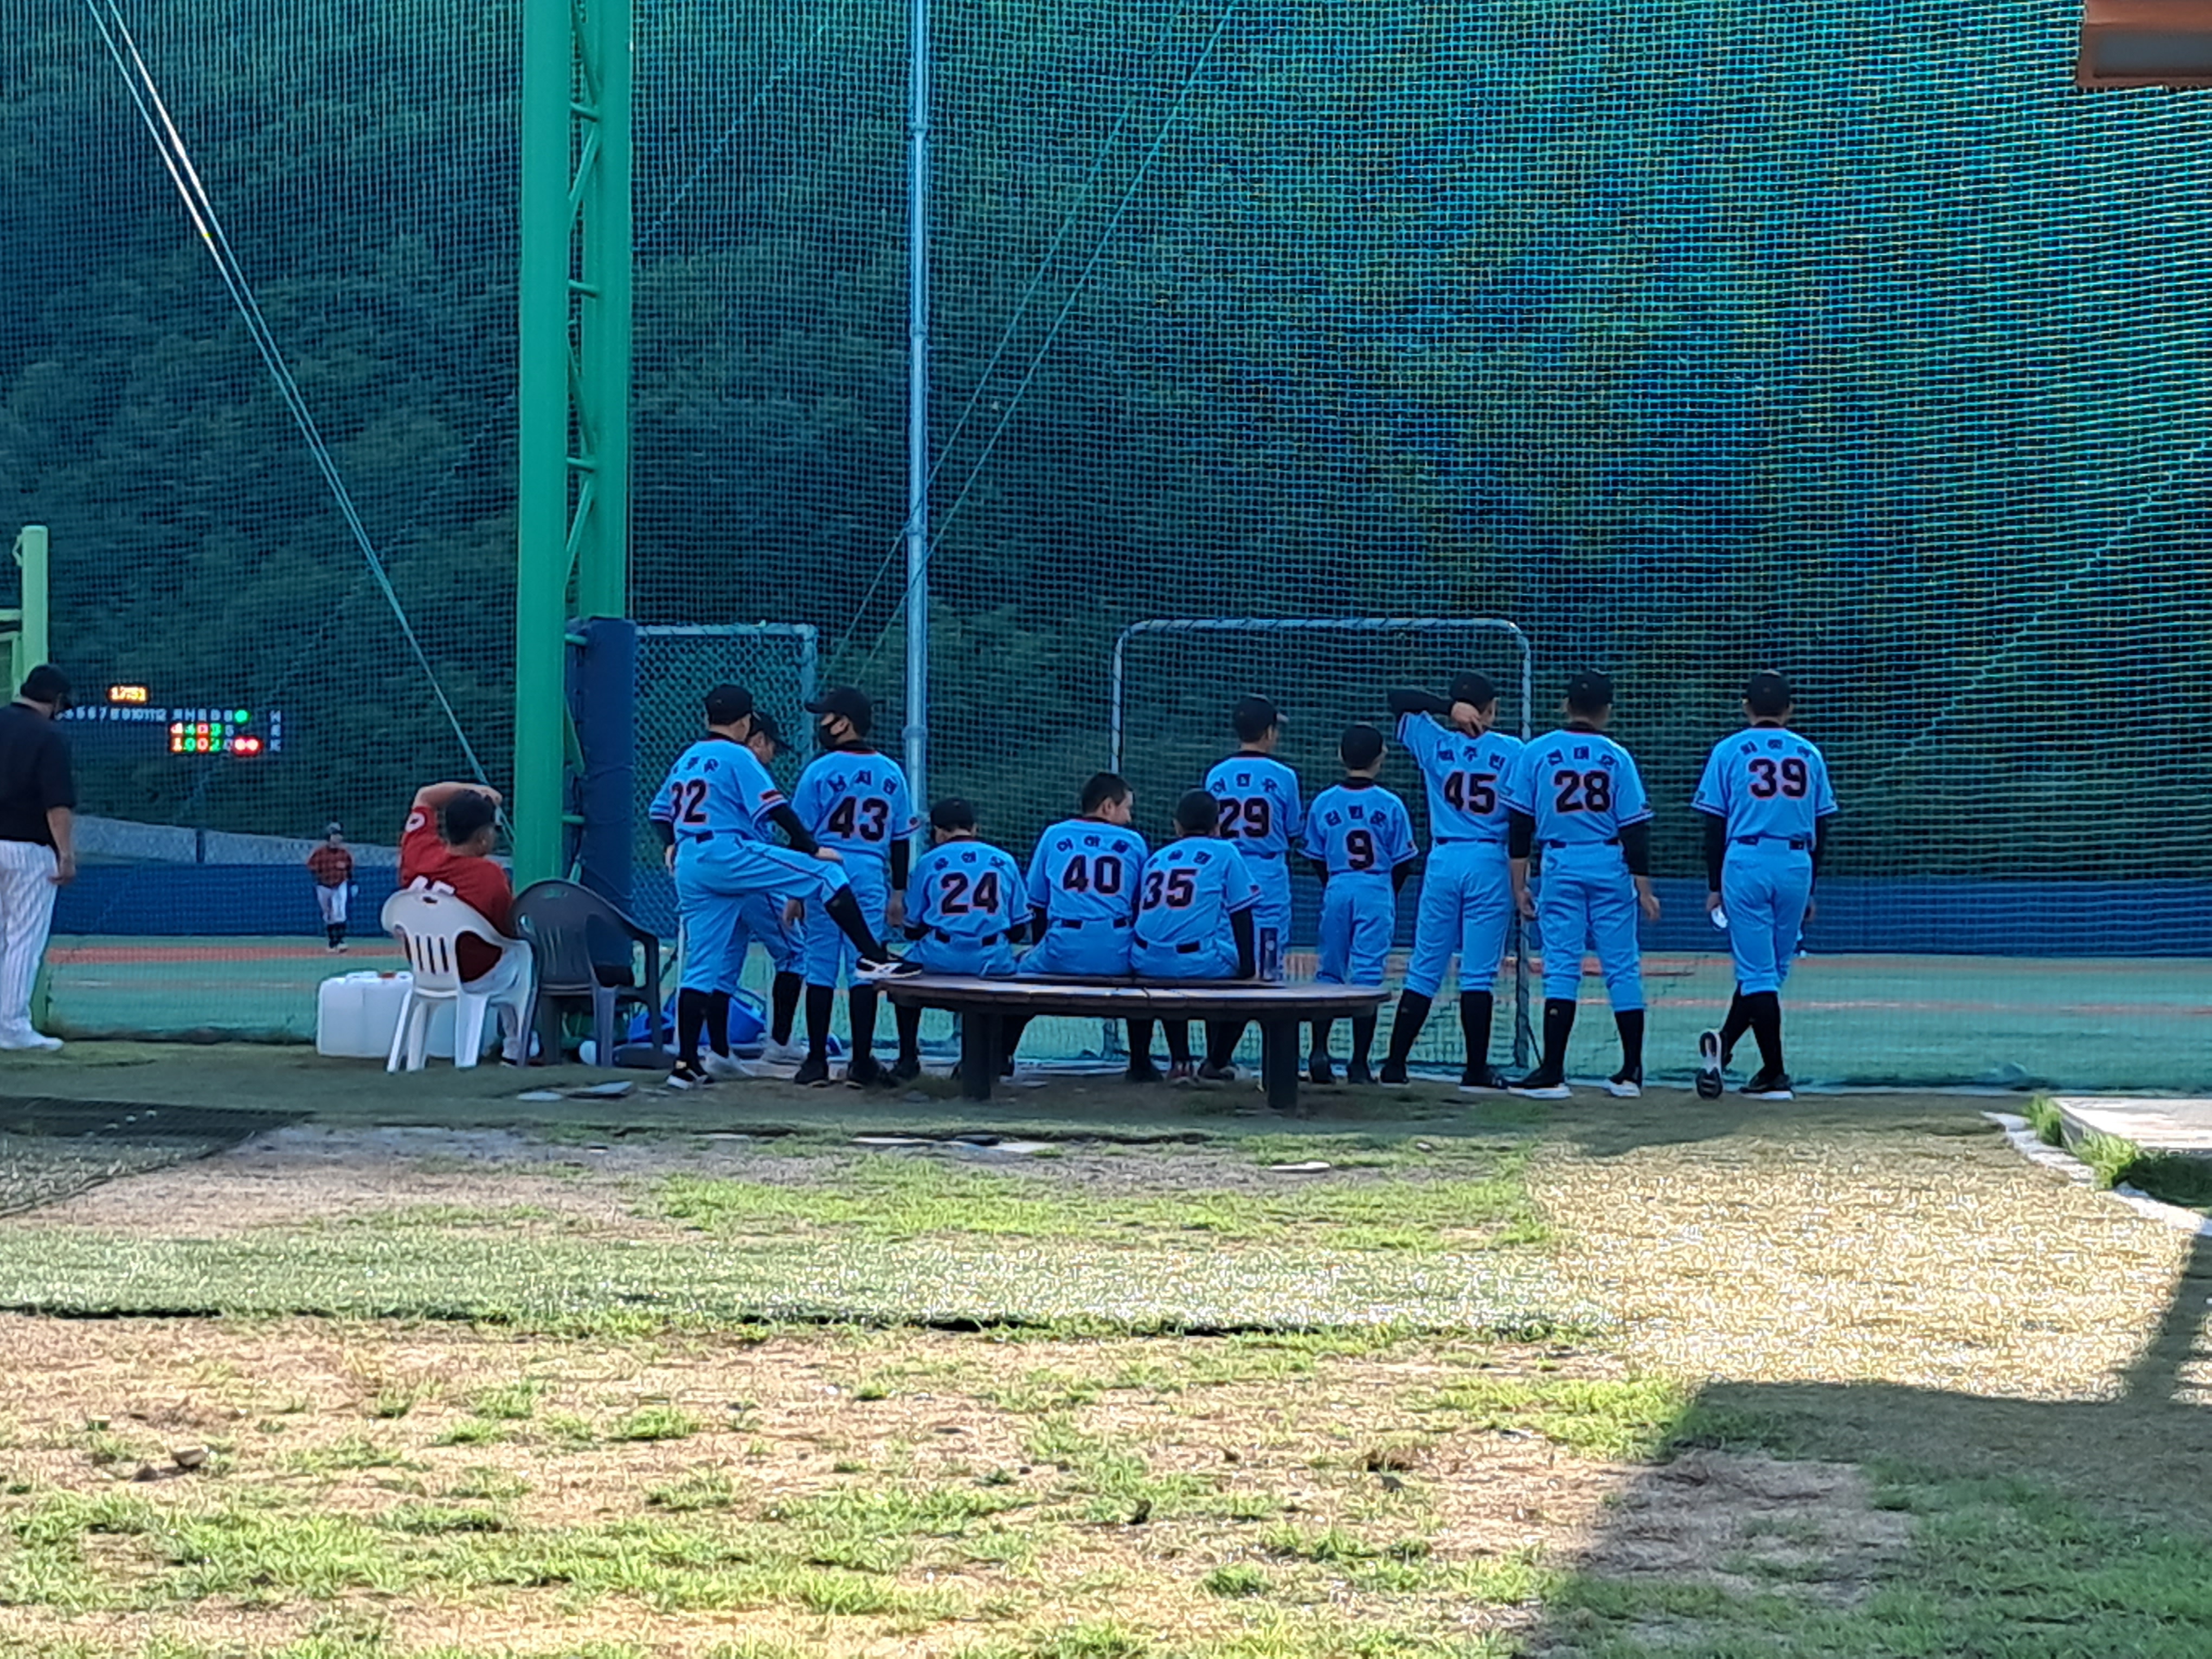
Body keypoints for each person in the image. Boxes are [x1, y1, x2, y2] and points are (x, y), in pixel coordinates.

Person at [648, 684, 915, 1091]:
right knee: (826, 875)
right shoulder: (738, 754)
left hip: (690, 862)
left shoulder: (688, 757)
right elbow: (776, 808)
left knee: (702, 967)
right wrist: (812, 848)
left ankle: (685, 1065)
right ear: (745, 723)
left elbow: (659, 812)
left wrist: (670, 842)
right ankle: (873, 957)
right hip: (730, 850)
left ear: (706, 718)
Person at [1502, 671, 1660, 1099]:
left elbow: (1520, 826)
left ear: (1565, 704)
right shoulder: (1616, 756)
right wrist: (1644, 889)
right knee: (1622, 966)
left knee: (1561, 966)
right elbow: (1635, 829)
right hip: (1610, 861)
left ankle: (1553, 1072)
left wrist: (1519, 885)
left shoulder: (1536, 752)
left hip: (1561, 860)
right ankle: (1631, 1071)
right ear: (1607, 710)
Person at [1692, 671, 1838, 1102]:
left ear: (1746, 706)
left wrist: (1714, 885)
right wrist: (1811, 885)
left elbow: (1713, 824)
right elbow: (1823, 825)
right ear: (1790, 709)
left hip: (1747, 858)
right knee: (1770, 972)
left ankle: (1775, 1073)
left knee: (1759, 974)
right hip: (1796, 860)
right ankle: (1724, 1047)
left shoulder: (1728, 750)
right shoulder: (1809, 753)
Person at [1377, 672, 1525, 1090]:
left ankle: (1395, 1064)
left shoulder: (1435, 741)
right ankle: (1475, 1070)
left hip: (1444, 856)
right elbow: (1522, 818)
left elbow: (1397, 696)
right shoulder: (1513, 749)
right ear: (1491, 709)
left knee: (1425, 967)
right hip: (1489, 857)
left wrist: (1445, 710)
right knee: (1477, 973)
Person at [786, 686, 918, 1089]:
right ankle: (861, 1061)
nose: (822, 724)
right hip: (870, 872)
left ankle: (816, 1062)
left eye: (826, 717)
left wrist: (795, 892)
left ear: (843, 723)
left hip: (824, 869)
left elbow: (800, 835)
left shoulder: (820, 770)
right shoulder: (891, 772)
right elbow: (900, 839)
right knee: (865, 966)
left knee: (820, 963)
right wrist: (898, 892)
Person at [1013, 773, 1149, 1078]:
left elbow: (1037, 903)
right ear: (1107, 806)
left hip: (1063, 945)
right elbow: (1142, 905)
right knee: (1144, 980)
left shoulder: (1054, 835)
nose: (1129, 817)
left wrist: (1042, 949)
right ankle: (1141, 1063)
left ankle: (999, 1055)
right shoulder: (1133, 842)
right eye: (1126, 808)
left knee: (1015, 977)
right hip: (1117, 952)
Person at [1302, 724, 1417, 1084]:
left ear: (1341, 756)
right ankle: (1359, 1064)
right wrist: (1386, 891)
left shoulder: (1324, 802)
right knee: (1367, 975)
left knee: (1329, 971)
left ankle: (1319, 1052)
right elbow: (1404, 861)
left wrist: (1336, 883)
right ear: (1381, 758)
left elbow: (1315, 856)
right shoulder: (1390, 803)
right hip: (1376, 886)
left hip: (1338, 883)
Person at [890, 797, 1029, 1081]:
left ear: (939, 833)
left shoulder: (929, 862)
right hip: (991, 959)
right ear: (974, 828)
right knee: (1019, 975)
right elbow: (1019, 930)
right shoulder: (1003, 860)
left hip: (941, 955)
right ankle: (995, 1057)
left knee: (900, 976)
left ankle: (907, 1059)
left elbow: (912, 929)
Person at [397, 781, 533, 1065]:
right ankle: (519, 1047)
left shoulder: (418, 852)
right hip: (476, 974)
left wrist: (472, 789)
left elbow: (425, 796)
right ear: (483, 838)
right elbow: (507, 931)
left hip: (426, 970)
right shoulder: (489, 875)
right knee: (523, 954)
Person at [1131, 789, 1259, 1085]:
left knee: (1168, 971)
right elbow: (1242, 913)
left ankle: (1180, 1060)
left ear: (1177, 826)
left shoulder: (1157, 857)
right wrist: (1248, 969)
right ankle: (1216, 1061)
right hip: (1197, 960)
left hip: (1144, 960)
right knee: (1254, 989)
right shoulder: (1226, 851)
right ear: (1217, 825)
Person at [0, 665, 76, 1051]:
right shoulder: (48, 736)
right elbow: (57, 803)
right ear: (56, 700)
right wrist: (66, 854)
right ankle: (11, 1027)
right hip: (28, 850)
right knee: (23, 940)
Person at [1203, 696, 1304, 978]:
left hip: (1225, 867)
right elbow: (1293, 831)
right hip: (1267, 868)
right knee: (1269, 951)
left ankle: (1227, 1003)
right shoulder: (1284, 775)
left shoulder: (1215, 775)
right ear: (1269, 732)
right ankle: (1268, 999)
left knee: (1229, 946)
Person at [307, 822, 353, 953]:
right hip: (324, 886)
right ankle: (332, 942)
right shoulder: (320, 853)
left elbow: (350, 870)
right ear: (329, 837)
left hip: (340, 885)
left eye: (339, 835)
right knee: (328, 914)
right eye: (334, 834)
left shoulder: (344, 854)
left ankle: (340, 941)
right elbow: (312, 868)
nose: (338, 837)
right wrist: (320, 878)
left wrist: (352, 883)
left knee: (339, 912)